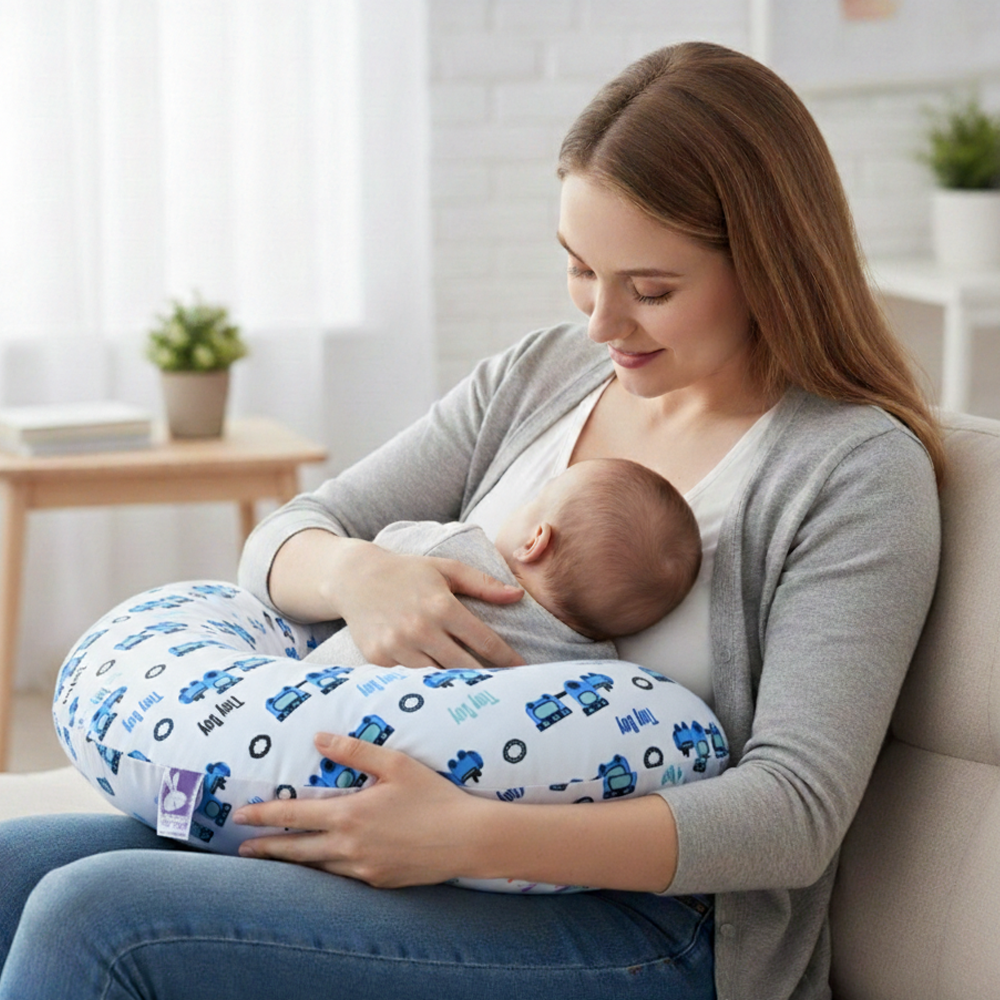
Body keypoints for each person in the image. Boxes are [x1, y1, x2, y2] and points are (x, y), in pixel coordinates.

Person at [0, 41, 941, 1000]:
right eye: (580, 269)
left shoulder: (852, 471)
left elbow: (793, 812)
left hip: (654, 927)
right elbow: (288, 536)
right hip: (407, 839)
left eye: (651, 290)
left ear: (770, 265)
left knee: (99, 918)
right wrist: (360, 575)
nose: (602, 324)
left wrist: (464, 835)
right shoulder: (541, 378)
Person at [304, 456, 702, 667]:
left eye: (534, 502)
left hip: (317, 690)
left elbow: (386, 545)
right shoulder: (591, 667)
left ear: (535, 541)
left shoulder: (462, 550)